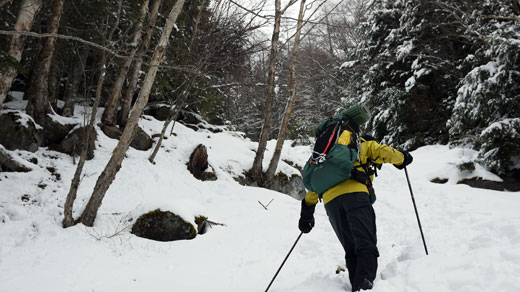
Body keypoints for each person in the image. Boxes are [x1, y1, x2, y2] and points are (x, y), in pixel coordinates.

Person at [298, 104, 413, 292]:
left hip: (331, 204)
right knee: (365, 243)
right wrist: (404, 158)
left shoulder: (325, 157)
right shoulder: (361, 143)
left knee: (351, 249)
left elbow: (314, 187)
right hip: (356, 197)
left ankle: (357, 287)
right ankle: (365, 286)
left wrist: (307, 214)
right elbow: (384, 152)